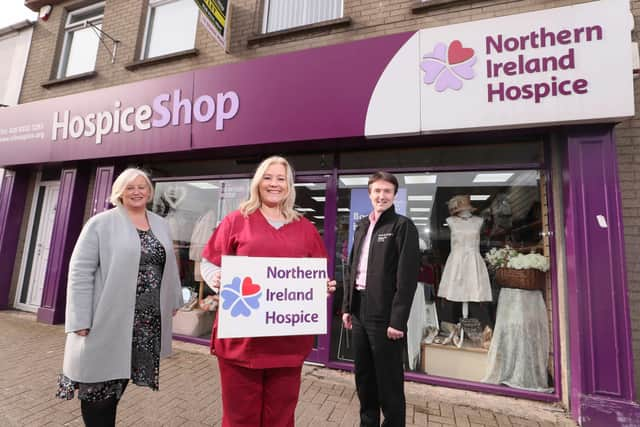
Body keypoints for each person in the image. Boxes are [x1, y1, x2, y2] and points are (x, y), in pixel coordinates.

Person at [199, 155, 336, 427]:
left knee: (280, 418)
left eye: (281, 178)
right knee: (240, 418)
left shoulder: (305, 228)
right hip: (242, 341)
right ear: (258, 182)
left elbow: (317, 276)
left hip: (286, 342)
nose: (274, 184)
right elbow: (208, 262)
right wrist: (217, 277)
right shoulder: (237, 220)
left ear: (289, 185)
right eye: (268, 177)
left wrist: (323, 287)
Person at [56, 168, 183, 427]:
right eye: (129, 187)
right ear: (119, 192)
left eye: (142, 186)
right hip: (107, 317)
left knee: (119, 380)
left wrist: (173, 299)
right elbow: (80, 271)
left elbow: (169, 265)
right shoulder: (101, 223)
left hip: (144, 322)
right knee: (97, 388)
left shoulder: (159, 223)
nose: (136, 191)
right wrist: (79, 318)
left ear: (149, 192)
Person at [342, 171, 420, 427]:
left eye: (387, 191)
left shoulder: (402, 226)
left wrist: (398, 320)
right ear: (369, 194)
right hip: (359, 310)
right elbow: (352, 267)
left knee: (388, 381)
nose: (381, 196)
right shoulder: (363, 225)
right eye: (377, 191)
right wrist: (347, 307)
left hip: (384, 314)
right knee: (364, 377)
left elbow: (406, 278)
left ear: (394, 195)